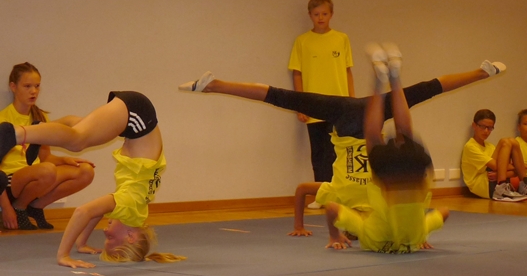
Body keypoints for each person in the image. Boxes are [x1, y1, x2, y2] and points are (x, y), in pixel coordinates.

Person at [179, 57, 506, 236]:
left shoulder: (346, 197)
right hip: (361, 124)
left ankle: (215, 85)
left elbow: (306, 193)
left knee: (283, 97)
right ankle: (481, 72)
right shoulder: (378, 203)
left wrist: (300, 226)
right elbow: (415, 206)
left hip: (348, 118)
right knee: (422, 92)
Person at [0, 91, 185, 268]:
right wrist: (63, 254)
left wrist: (81, 243)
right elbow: (83, 212)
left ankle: (39, 131)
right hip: (138, 116)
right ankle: (15, 134)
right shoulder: (129, 204)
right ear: (131, 237)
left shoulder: (134, 212)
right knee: (78, 141)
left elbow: (97, 213)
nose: (105, 231)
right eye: (110, 237)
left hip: (137, 119)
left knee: (79, 127)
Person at [324, 43, 449, 253]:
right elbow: (331, 208)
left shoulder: (415, 236)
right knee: (372, 136)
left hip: (414, 179)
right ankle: (379, 81)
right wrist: (334, 234)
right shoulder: (367, 235)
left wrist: (423, 234)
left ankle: (395, 77)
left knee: (405, 131)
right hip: (388, 182)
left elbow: (444, 212)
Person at [0, 63, 95, 230]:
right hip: (9, 183)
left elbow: (45, 158)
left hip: (37, 176)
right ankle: (18, 207)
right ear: (13, 87)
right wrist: (6, 208)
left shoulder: (40, 117)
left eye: (37, 86)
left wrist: (65, 160)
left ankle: (35, 207)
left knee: (86, 171)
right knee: (47, 170)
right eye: (27, 86)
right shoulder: (3, 120)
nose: (33, 91)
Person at [289, 0, 354, 208]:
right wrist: (300, 105)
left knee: (339, 153)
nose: (320, 18)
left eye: (324, 14)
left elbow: (347, 71)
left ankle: (339, 195)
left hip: (339, 104)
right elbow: (297, 73)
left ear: (331, 14)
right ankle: (321, 195)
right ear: (310, 15)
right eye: (316, 14)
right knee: (319, 153)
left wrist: (352, 102)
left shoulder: (341, 38)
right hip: (314, 105)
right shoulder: (302, 41)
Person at [461, 109, 527, 202]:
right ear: (474, 125)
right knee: (504, 142)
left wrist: (506, 172)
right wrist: (520, 167)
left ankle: (524, 185)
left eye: (490, 128)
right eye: (483, 127)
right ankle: (501, 186)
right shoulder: (470, 146)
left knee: (513, 142)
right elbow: (496, 166)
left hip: (493, 180)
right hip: (482, 185)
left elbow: (508, 169)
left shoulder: (490, 146)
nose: (486, 131)